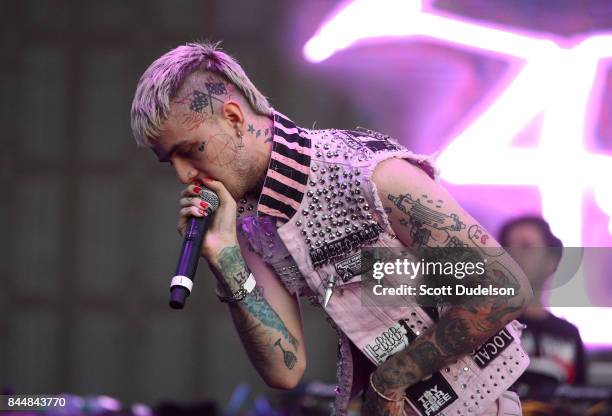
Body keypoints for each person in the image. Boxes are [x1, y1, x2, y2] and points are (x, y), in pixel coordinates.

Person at [130, 41, 533, 416]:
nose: (185, 175)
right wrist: (224, 257)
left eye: (190, 150)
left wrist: (391, 380)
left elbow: (504, 286)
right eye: (171, 162)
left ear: (234, 118)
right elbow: (285, 369)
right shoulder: (252, 220)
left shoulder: (365, 172)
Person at [498, 216, 586, 398]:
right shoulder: (486, 324)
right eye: (506, 246)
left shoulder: (568, 333)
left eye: (526, 246)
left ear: (552, 259)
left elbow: (581, 398)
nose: (514, 254)